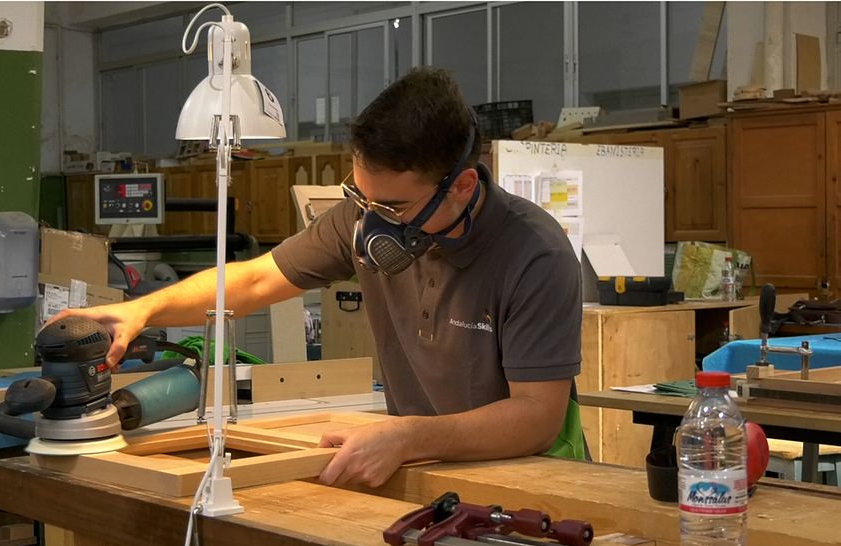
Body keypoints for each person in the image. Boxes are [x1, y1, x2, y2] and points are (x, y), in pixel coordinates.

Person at [50, 67, 586, 488]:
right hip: (425, 466)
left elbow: (535, 417)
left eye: (394, 207)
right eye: (362, 197)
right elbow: (255, 281)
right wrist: (144, 310)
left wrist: (407, 437)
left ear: (462, 186)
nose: (372, 220)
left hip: (531, 479)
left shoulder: (533, 254)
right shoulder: (362, 217)